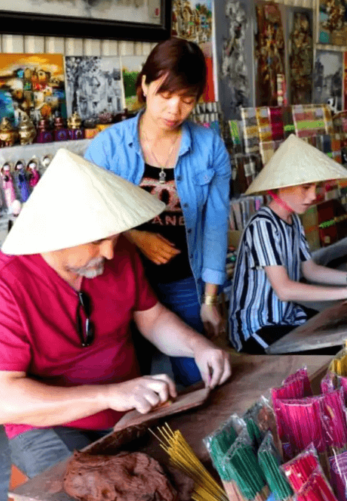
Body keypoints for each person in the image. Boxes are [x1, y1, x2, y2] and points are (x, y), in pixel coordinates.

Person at [0, 149, 231, 480]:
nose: (110, 252)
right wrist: (110, 394)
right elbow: (2, 402)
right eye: (96, 241)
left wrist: (198, 347)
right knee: (85, 488)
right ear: (54, 237)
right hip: (51, 422)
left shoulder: (119, 252)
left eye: (114, 237)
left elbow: (151, 318)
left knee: (196, 473)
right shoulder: (3, 284)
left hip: (128, 409)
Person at [85, 38, 230, 386]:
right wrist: (136, 237)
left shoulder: (209, 146)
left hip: (184, 279)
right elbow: (90, 212)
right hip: (121, 281)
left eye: (187, 100)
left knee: (199, 378)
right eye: (166, 95)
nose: (174, 110)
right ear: (145, 85)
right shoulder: (108, 146)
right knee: (128, 380)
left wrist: (210, 297)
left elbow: (215, 225)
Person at [229, 135, 347, 353]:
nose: (313, 196)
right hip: (257, 327)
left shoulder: (293, 219)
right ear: (281, 185)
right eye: (306, 187)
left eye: (315, 187)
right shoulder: (262, 224)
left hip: (286, 315)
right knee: (337, 349)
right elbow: (285, 290)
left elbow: (310, 269)